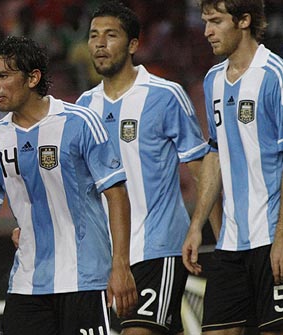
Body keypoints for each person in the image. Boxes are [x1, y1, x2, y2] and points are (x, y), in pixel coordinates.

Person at [0, 35, 137, 335]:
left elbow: (117, 194)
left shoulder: (80, 122)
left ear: (33, 77)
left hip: (85, 278)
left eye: (3, 76)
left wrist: (120, 266)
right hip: (27, 283)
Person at [75, 2, 221, 334]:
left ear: (133, 44)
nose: (99, 43)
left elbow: (201, 169)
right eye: (94, 35)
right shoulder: (83, 109)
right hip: (107, 259)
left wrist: (220, 241)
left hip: (159, 246)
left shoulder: (165, 95)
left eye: (110, 35)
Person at [181, 0, 283, 334]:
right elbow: (215, 153)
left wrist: (282, 236)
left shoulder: (274, 76)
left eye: (215, 22)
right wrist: (198, 224)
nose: (207, 31)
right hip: (231, 242)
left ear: (243, 20)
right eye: (205, 21)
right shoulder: (213, 81)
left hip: (273, 236)